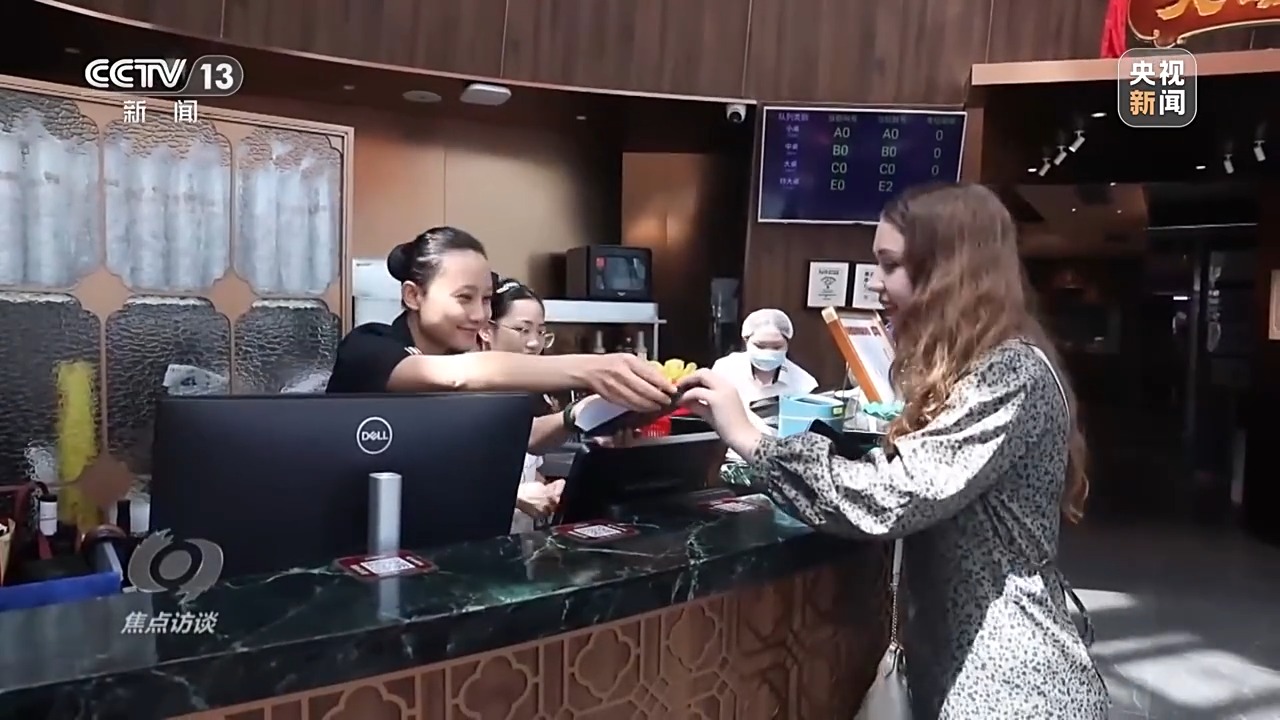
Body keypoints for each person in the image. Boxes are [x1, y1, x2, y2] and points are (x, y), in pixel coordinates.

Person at [678, 184, 1107, 719]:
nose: (875, 283)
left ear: (948, 270)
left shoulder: (1009, 372)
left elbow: (893, 495)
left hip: (1009, 688)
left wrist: (750, 439)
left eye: (891, 265)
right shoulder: (987, 364)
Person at [327, 228, 677, 517]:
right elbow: (455, 376)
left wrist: (582, 413)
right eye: (464, 298)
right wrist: (588, 367)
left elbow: (517, 436)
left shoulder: (466, 360)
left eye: (486, 300)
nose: (480, 315)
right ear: (414, 296)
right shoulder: (370, 347)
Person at [477, 275, 564, 530]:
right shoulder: (466, 400)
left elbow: (529, 470)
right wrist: (514, 496)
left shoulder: (530, 395)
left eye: (541, 332)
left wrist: (548, 490)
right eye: (523, 330)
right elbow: (446, 482)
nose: (534, 343)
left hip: (520, 542)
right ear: (486, 330)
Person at [711, 308, 817, 485]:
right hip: (729, 462)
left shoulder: (803, 383)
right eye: (760, 346)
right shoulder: (725, 370)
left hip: (778, 467)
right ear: (746, 340)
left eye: (776, 347)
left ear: (788, 344)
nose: (768, 352)